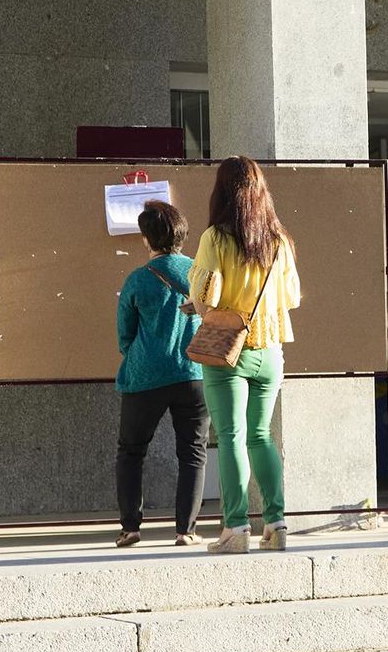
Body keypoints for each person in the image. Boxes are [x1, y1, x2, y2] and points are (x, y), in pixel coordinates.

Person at [189, 156, 302, 555]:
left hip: (228, 352)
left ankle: (235, 528)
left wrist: (200, 304)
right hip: (270, 350)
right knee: (261, 437)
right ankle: (277, 522)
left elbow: (208, 296)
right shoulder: (279, 241)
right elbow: (292, 298)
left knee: (233, 437)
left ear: (222, 190)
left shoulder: (215, 239)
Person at [113, 200, 209, 548]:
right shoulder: (199, 272)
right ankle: (187, 530)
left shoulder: (137, 280)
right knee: (193, 451)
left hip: (144, 377)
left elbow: (125, 334)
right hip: (193, 374)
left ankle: (131, 528)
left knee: (131, 451)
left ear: (146, 239)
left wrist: (142, 354)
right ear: (182, 235)